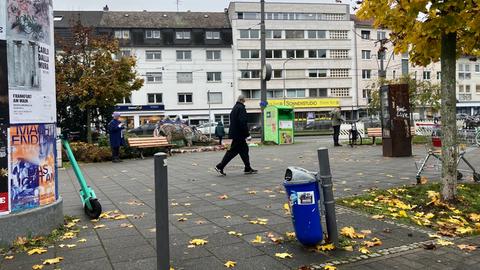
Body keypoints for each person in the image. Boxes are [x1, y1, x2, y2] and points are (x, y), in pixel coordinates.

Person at [215, 95, 257, 176]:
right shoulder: (241, 108)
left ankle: (247, 168)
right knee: (232, 152)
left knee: (244, 150)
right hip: (239, 135)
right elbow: (242, 122)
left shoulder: (235, 108)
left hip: (236, 134)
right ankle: (220, 166)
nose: (245, 100)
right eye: (245, 99)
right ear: (242, 100)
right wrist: (247, 134)